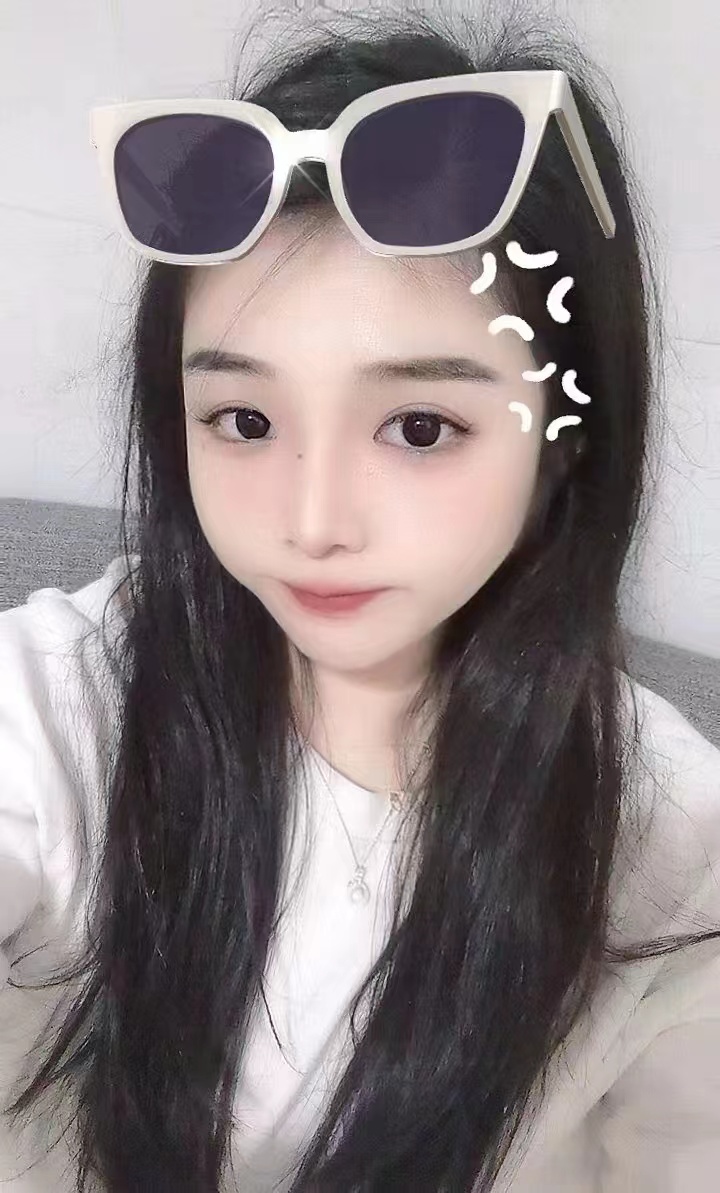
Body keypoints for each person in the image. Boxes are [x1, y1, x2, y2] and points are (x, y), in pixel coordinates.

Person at [1, 7, 719, 1192]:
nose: (311, 518)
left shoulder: (671, 850)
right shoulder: (71, 701)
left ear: (563, 440)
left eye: (420, 426)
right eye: (243, 419)